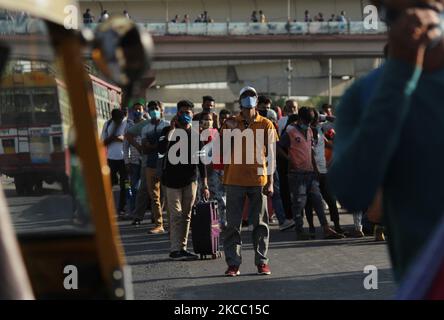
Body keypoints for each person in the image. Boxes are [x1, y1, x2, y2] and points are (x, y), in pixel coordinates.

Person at [329, 0, 444, 282]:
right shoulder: (364, 95)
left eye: (422, 5)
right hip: (424, 283)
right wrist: (400, 77)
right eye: (393, 14)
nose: (413, 19)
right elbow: (351, 191)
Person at [221, 86, 277, 276]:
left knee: (260, 224)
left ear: (256, 100)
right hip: (234, 179)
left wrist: (270, 182)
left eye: (252, 96)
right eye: (245, 96)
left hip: (258, 180)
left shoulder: (266, 124)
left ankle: (262, 261)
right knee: (232, 225)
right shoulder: (230, 122)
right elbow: (222, 151)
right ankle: (233, 264)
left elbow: (271, 155)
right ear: (240, 101)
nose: (249, 99)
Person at [278, 107, 342, 240]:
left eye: (311, 121)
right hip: (296, 174)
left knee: (318, 201)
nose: (309, 124)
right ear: (300, 119)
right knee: (299, 203)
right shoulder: (290, 131)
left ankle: (326, 229)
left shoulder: (310, 131)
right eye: (307, 121)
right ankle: (300, 230)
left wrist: (315, 169)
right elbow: (278, 146)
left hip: (311, 173)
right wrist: (289, 158)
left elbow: (310, 151)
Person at [159, 100, 209, 261]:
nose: (186, 115)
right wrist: (172, 130)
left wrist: (205, 184)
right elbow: (160, 150)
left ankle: (183, 247)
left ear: (192, 114)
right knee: (176, 215)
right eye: (182, 112)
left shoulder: (195, 134)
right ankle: (174, 249)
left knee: (187, 215)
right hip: (171, 181)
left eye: (189, 112)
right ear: (177, 114)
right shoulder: (168, 131)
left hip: (191, 180)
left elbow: (202, 161)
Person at [304, 109, 344, 235]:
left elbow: (337, 121)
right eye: (313, 119)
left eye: (316, 119)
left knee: (331, 200)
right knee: (310, 202)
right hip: (310, 171)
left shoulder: (321, 128)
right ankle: (311, 228)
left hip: (323, 171)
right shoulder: (303, 130)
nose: (315, 121)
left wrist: (323, 116)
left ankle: (337, 225)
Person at [141, 101, 170, 234]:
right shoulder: (145, 128)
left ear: (161, 110)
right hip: (150, 164)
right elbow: (144, 148)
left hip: (166, 166)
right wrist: (155, 145)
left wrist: (153, 145)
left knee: (169, 196)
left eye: (156, 108)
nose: (153, 111)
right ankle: (159, 224)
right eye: (151, 109)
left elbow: (167, 146)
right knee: (154, 196)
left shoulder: (167, 126)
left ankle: (172, 224)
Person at [101, 109, 128, 217]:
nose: (118, 121)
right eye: (116, 119)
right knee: (109, 185)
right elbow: (103, 141)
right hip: (111, 159)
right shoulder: (107, 124)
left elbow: (129, 139)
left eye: (120, 119)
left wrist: (117, 138)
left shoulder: (128, 123)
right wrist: (113, 138)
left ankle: (122, 207)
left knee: (125, 185)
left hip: (125, 160)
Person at [124, 103, 144, 214]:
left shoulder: (147, 124)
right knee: (134, 188)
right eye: (135, 109)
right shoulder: (129, 126)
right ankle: (133, 211)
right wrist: (127, 162)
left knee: (148, 189)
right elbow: (125, 146)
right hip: (134, 162)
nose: (137, 111)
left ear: (143, 110)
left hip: (146, 161)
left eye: (139, 109)